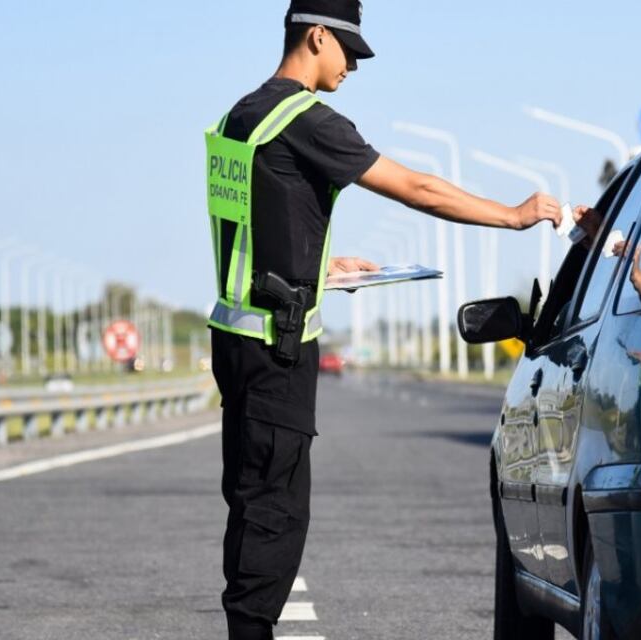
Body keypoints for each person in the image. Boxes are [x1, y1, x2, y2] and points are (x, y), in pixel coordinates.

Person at [205, 2, 562, 638]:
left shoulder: (242, 116)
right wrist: (512, 215)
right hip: (277, 350)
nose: (354, 66)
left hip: (236, 338)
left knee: (250, 500)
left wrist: (315, 266)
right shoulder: (306, 119)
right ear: (317, 37)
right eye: (349, 51)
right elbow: (417, 188)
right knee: (277, 514)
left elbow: (249, 231)